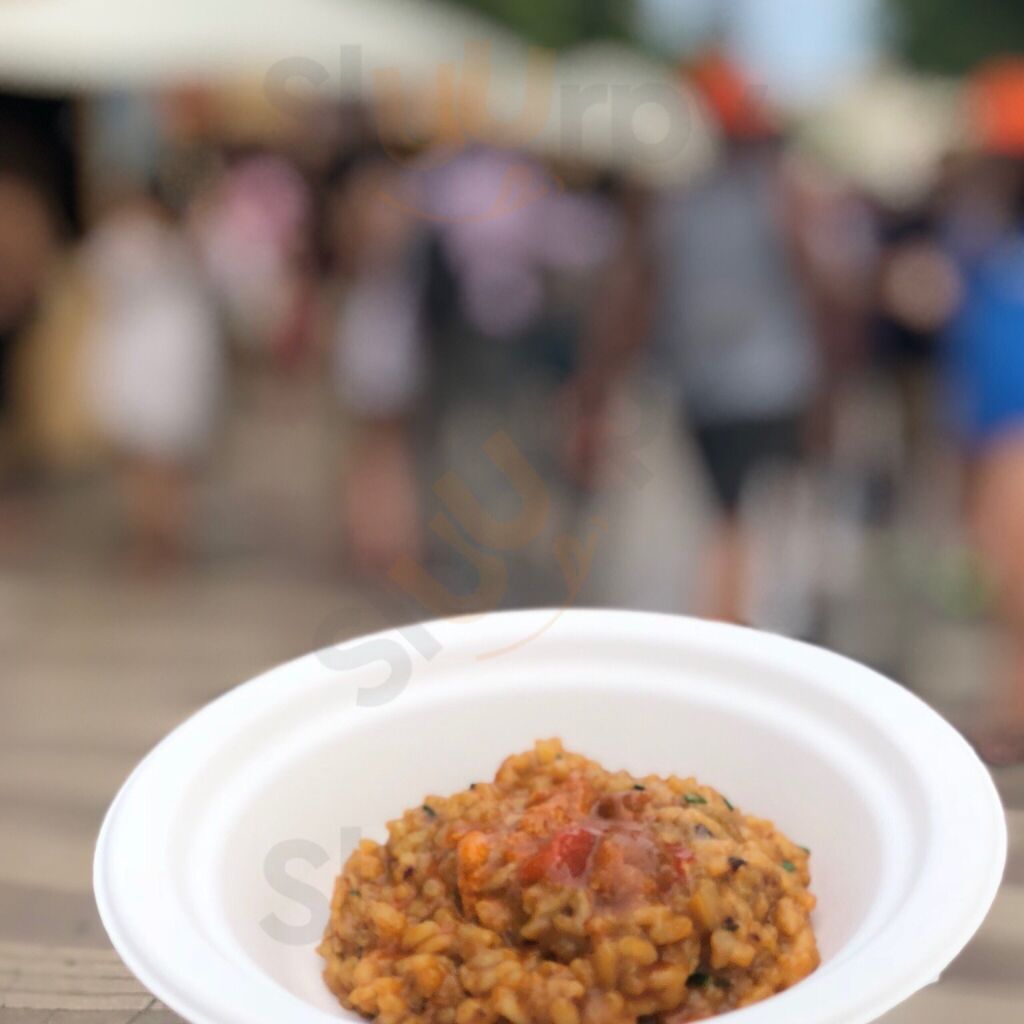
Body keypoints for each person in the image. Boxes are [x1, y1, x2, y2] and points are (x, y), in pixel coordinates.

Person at [84, 189, 223, 570]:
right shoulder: (133, 242)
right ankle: (155, 539)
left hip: (164, 367)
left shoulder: (147, 242)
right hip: (147, 365)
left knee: (161, 462)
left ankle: (161, 539)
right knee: (150, 461)